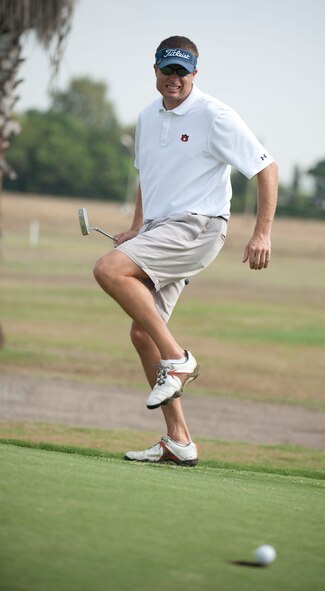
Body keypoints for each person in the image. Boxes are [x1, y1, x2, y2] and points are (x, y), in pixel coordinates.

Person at [93, 35, 279, 467]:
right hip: (161, 230)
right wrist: (138, 228)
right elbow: (146, 175)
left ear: (195, 73)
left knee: (108, 271)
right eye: (167, 69)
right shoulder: (146, 116)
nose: (173, 78)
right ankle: (179, 440)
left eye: (182, 71)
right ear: (154, 69)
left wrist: (262, 233)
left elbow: (266, 168)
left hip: (199, 225)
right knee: (143, 333)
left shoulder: (215, 115)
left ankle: (178, 360)